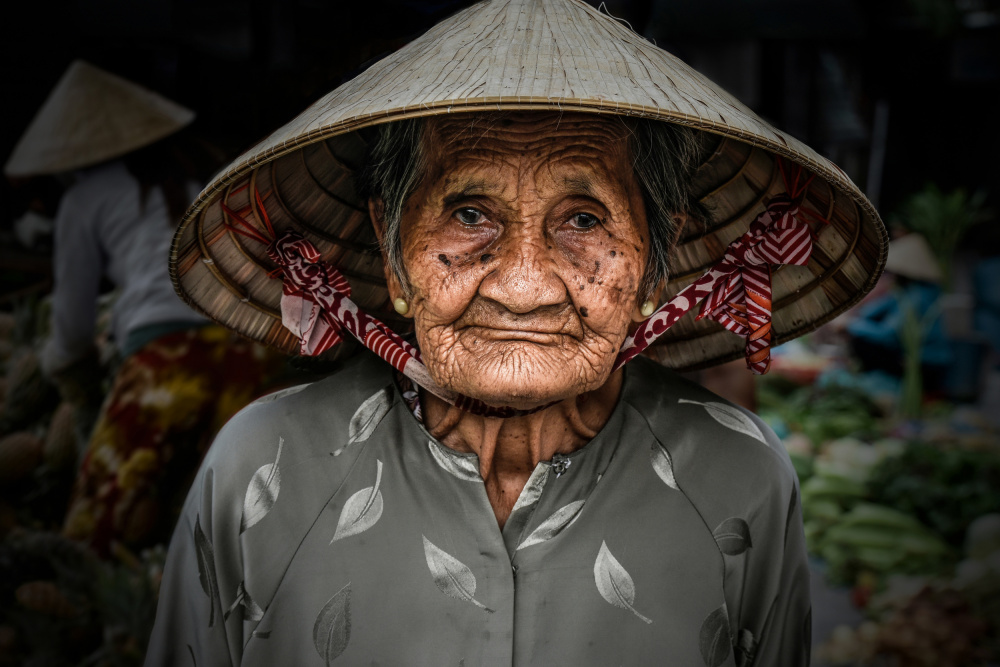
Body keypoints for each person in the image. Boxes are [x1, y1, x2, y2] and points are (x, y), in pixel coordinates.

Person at [145, 0, 887, 664]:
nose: (524, 284)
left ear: (655, 268)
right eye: (470, 214)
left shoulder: (741, 476)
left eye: (584, 219)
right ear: (393, 250)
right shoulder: (261, 469)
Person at [4, 61, 282, 555]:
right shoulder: (211, 171)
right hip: (254, 353)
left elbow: (70, 329)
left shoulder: (86, 197)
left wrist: (66, 375)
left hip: (166, 365)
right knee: (242, 533)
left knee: (98, 533)